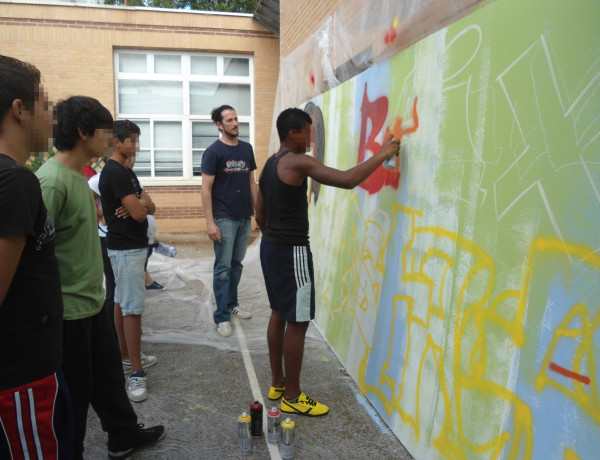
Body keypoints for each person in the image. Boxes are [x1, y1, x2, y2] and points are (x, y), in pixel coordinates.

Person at [36, 97, 165, 459]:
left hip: (93, 304)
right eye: (106, 131)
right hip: (69, 314)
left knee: (108, 382)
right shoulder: (50, 182)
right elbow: (31, 254)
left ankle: (122, 435)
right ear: (83, 132)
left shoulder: (80, 178)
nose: (112, 139)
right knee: (75, 395)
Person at [256, 108, 400, 417]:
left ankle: (278, 383)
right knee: (298, 320)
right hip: (291, 250)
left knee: (279, 312)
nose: (313, 138)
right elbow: (348, 180)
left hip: (270, 248)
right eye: (309, 132)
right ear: (292, 134)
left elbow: (260, 214)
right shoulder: (299, 161)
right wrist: (383, 153)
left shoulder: (270, 163)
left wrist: (274, 238)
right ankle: (293, 396)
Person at [0, 55, 73, 460]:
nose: (51, 118)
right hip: (21, 383)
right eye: (45, 106)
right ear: (19, 110)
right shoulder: (15, 181)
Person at [99, 120, 158, 401]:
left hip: (128, 247)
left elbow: (148, 206)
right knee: (131, 308)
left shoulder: (127, 171)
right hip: (126, 249)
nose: (136, 146)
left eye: (137, 140)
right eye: (132, 141)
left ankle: (125, 357)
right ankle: (136, 373)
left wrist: (141, 203)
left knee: (122, 301)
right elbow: (137, 214)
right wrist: (140, 205)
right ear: (117, 141)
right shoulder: (117, 173)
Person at [201, 104, 257, 337]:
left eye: (236, 118)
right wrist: (210, 223)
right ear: (219, 125)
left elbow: (252, 182)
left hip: (244, 216)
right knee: (222, 268)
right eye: (229, 120)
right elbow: (206, 189)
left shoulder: (246, 149)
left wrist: (258, 213)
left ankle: (232, 304)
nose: (235, 123)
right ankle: (222, 316)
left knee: (236, 264)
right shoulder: (213, 152)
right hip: (223, 218)